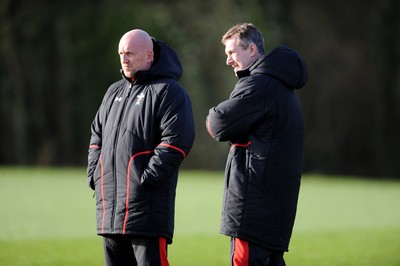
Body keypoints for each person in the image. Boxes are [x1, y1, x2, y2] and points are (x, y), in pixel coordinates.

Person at [87, 29, 195, 266]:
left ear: (149, 56)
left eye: (130, 54)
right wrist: (96, 174)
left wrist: (145, 180)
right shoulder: (113, 91)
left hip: (147, 213)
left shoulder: (169, 91)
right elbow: (96, 137)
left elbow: (177, 141)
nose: (124, 59)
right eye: (121, 53)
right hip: (110, 213)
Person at [206, 23, 307, 265]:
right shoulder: (283, 86)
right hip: (276, 204)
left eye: (232, 52)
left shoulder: (259, 84)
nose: (228, 60)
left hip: (253, 207)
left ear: (252, 50)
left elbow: (217, 123)